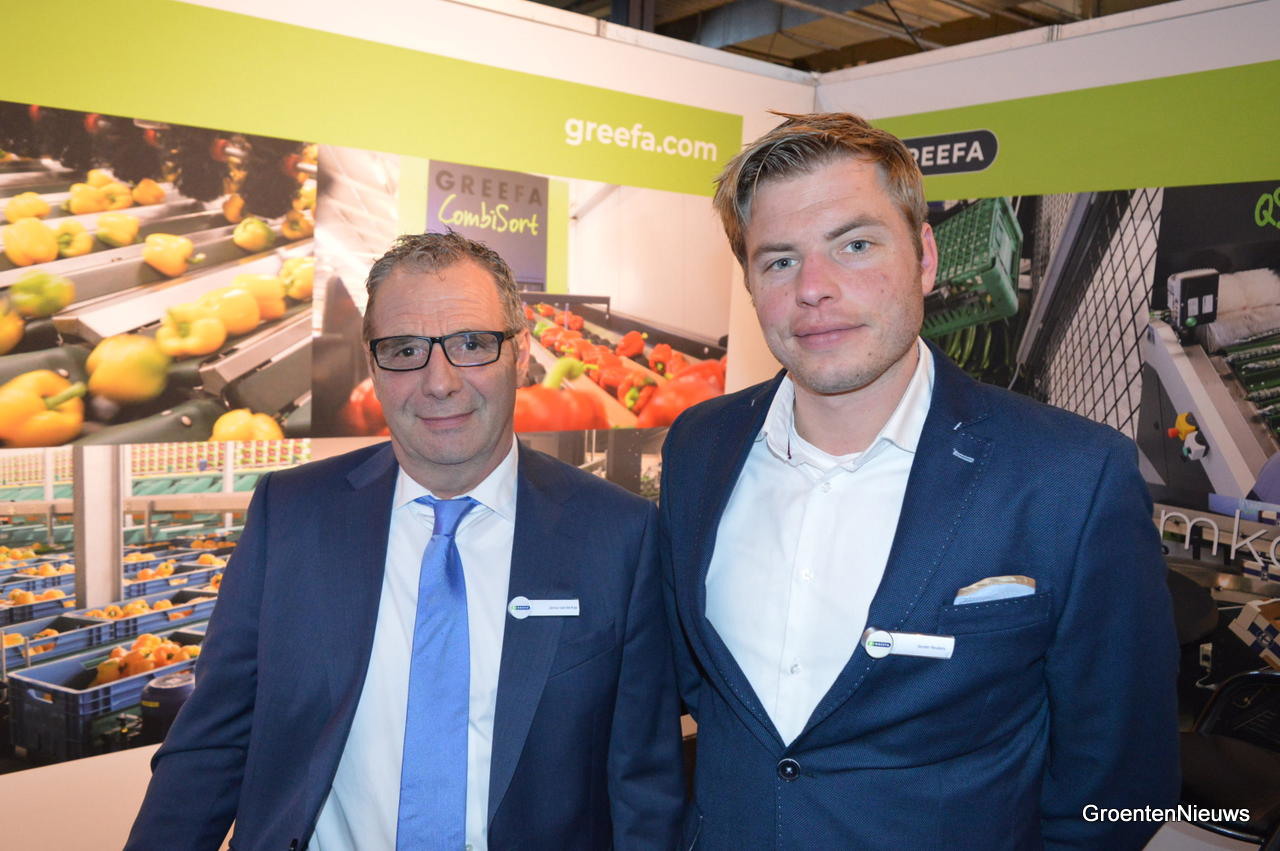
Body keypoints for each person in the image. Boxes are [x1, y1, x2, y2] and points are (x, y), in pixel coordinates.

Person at [659, 113, 1179, 849]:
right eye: (779, 261)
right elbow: (695, 685)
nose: (814, 289)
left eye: (855, 245)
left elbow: (1119, 785)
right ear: (749, 283)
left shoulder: (1071, 476)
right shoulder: (699, 446)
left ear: (926, 259)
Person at [127, 232, 684, 850]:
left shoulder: (618, 535)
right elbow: (211, 743)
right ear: (373, 367)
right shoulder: (290, 515)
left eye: (471, 344)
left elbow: (643, 786)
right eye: (405, 349)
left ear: (520, 353)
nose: (439, 382)